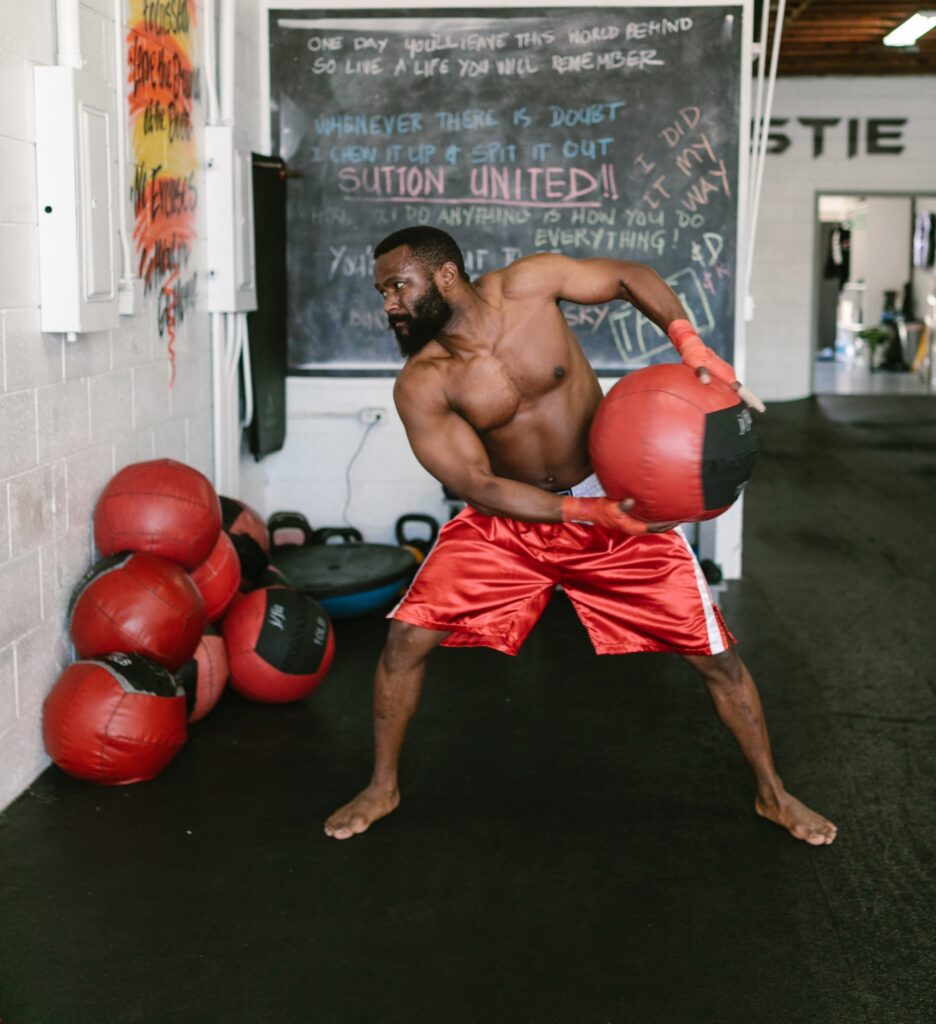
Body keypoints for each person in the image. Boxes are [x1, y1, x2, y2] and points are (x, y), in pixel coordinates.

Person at [324, 226, 837, 846]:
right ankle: (383, 787)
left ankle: (772, 794)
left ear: (446, 276)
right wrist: (580, 518)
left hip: (608, 495)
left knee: (717, 657)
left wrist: (690, 346)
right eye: (382, 292)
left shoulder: (530, 285)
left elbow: (627, 278)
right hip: (511, 522)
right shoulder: (423, 382)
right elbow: (479, 484)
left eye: (396, 286)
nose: (389, 305)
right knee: (405, 640)